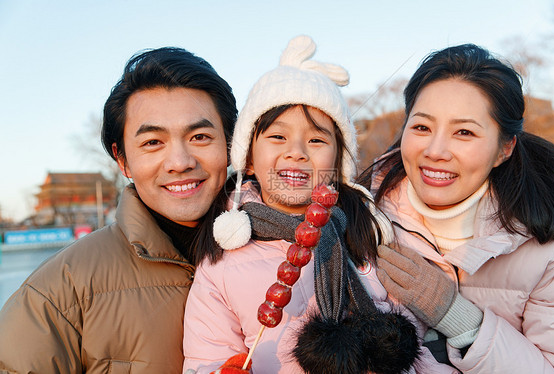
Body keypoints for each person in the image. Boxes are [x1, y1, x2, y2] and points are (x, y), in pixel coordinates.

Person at [183, 35, 457, 374]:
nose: (297, 151)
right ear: (249, 159)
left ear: (338, 162)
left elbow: (414, 323)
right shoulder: (220, 266)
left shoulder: (372, 232)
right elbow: (206, 357)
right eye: (277, 136)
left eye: (316, 139)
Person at [0, 47, 237, 373]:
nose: (180, 162)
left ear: (230, 144)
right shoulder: (62, 291)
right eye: (153, 142)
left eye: (199, 136)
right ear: (122, 159)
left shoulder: (291, 253)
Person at [363, 44, 554, 373]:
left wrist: (458, 318)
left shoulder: (547, 251)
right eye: (422, 127)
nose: (436, 150)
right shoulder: (359, 216)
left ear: (504, 148)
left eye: (464, 132)